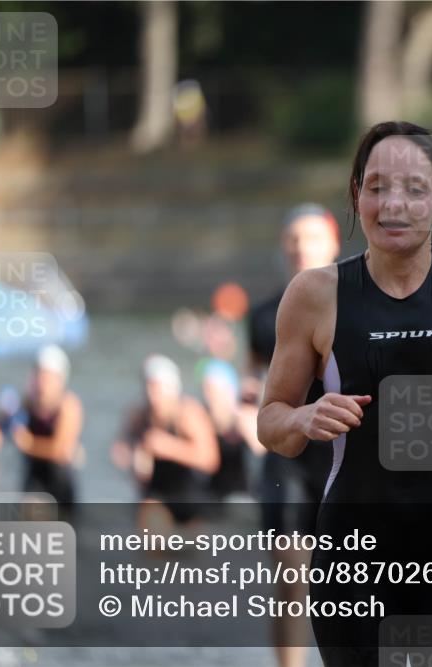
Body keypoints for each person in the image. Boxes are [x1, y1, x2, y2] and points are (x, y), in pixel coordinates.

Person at [257, 121, 432, 666]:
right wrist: (304, 418)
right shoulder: (315, 294)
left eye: (415, 189)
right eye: (377, 187)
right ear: (356, 196)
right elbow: (270, 422)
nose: (395, 204)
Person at [246, 203, 341, 667]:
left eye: (312, 238)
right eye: (294, 239)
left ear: (334, 244)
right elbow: (250, 383)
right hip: (287, 455)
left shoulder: (361, 308)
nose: (302, 247)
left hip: (345, 455)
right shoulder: (264, 314)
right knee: (292, 576)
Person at [0, 345, 83, 509]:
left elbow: (59, 451)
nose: (41, 384)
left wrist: (29, 444)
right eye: (38, 376)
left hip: (59, 481)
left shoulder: (68, 406)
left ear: (59, 381)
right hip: (33, 477)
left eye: (47, 378)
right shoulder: (27, 402)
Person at [111, 354, 219, 528]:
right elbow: (120, 448)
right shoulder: (138, 416)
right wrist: (131, 457)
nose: (153, 396)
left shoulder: (187, 414)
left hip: (189, 496)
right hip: (156, 495)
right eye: (149, 388)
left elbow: (209, 459)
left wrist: (168, 447)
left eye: (157, 389)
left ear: (171, 389)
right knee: (149, 523)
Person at [200, 358, 264, 501]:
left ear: (229, 391)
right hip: (213, 497)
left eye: (212, 391)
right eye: (205, 390)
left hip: (244, 497)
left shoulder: (244, 418)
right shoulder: (203, 420)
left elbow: (264, 459)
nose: (208, 397)